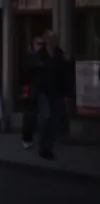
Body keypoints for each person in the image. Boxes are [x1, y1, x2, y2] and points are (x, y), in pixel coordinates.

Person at [30, 29, 68, 160]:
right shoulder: (40, 55)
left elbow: (65, 73)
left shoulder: (60, 54)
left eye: (55, 38)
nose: (54, 41)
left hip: (56, 91)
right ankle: (43, 148)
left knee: (54, 121)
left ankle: (49, 148)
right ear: (46, 40)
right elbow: (33, 72)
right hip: (43, 92)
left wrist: (66, 90)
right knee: (46, 118)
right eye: (51, 38)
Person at [19, 35, 45, 150]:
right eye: (39, 43)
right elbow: (24, 74)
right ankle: (27, 138)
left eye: (42, 44)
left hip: (42, 90)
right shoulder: (28, 57)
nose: (41, 46)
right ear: (33, 44)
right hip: (30, 90)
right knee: (30, 116)